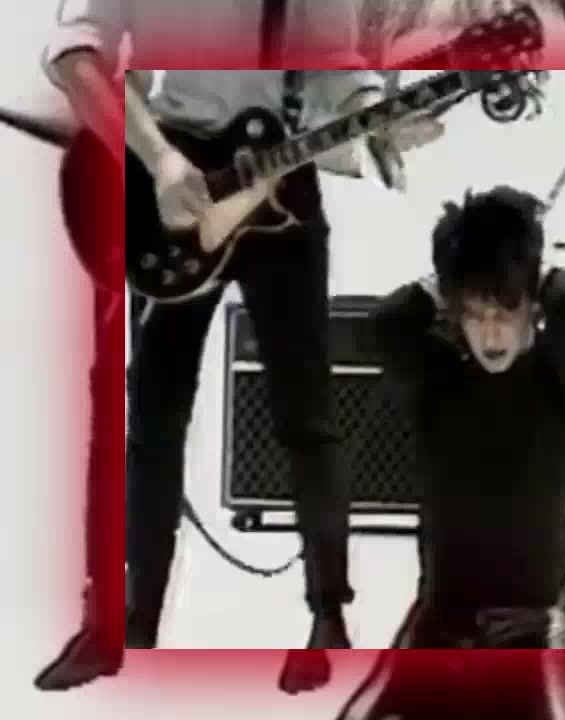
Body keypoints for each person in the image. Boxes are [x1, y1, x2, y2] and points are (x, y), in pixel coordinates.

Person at [34, 0, 444, 694]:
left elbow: (333, 66)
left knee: (308, 416)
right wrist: (159, 159)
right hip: (174, 188)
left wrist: (376, 115)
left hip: (281, 179)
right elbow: (75, 53)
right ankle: (125, 623)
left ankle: (328, 620)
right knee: (152, 421)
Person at [335, 186, 565, 719]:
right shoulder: (438, 380)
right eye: (476, 314)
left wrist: (526, 267)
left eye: (506, 310)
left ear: (531, 306)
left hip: (531, 628)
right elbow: (388, 320)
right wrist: (455, 271)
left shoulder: (562, 382)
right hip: (441, 620)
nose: (492, 332)